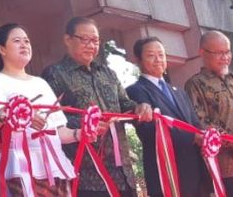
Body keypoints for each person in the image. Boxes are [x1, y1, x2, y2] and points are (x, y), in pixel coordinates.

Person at [41, 16, 153, 197]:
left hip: (122, 172)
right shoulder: (55, 73)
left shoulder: (108, 73)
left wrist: (139, 108)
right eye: (84, 39)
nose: (91, 45)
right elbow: (51, 119)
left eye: (95, 40)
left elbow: (124, 104)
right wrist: (86, 124)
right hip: (86, 174)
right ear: (68, 40)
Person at [0, 23, 77, 196]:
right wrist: (22, 118)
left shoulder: (40, 83)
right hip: (21, 168)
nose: (24, 45)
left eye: (27, 41)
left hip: (55, 166)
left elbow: (58, 131)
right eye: (17, 41)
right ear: (2, 49)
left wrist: (81, 133)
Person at [126, 37, 206, 197]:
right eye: (151, 55)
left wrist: (205, 136)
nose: (158, 60)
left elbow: (195, 123)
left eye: (161, 55)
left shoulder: (179, 92)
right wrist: (192, 136)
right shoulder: (135, 91)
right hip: (165, 169)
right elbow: (150, 130)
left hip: (193, 169)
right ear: (138, 60)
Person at [185, 30, 233, 196]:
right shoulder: (195, 84)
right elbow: (201, 125)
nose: (225, 57)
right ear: (202, 52)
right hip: (231, 167)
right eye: (219, 53)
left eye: (228, 52)